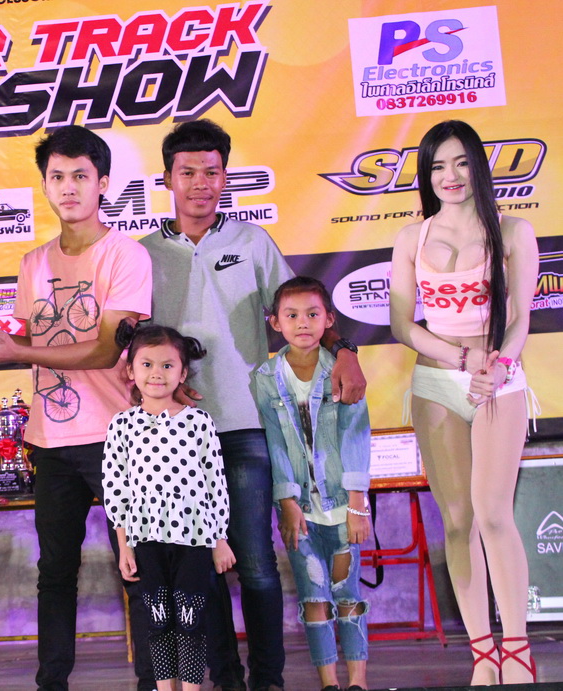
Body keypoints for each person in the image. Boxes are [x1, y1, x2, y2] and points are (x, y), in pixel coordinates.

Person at [140, 119, 367, 691]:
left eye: (212, 172)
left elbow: (301, 311)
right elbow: (134, 342)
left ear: (225, 177)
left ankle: (268, 680)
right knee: (199, 566)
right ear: (166, 179)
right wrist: (162, 386)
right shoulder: (143, 254)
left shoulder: (251, 242)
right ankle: (227, 679)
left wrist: (345, 351)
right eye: (187, 172)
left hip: (247, 425)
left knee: (257, 563)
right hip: (177, 434)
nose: (200, 183)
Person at [0, 125, 156, 691]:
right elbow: (25, 338)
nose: (69, 188)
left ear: (103, 183)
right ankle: (52, 683)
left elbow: (106, 349)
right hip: (49, 437)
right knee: (55, 574)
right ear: (44, 185)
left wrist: (17, 350)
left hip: (118, 436)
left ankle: (154, 681)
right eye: (57, 177)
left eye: (81, 176)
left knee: (139, 567)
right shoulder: (32, 262)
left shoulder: (126, 255)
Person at [389, 120, 538, 686]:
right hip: (438, 383)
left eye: (459, 162)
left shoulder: (514, 231)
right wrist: (460, 359)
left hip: (499, 380)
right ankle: (483, 655)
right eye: (436, 166)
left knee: (494, 513)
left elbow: (521, 318)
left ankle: (517, 650)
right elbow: (403, 324)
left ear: (478, 165)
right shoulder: (412, 237)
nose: (449, 176)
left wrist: (495, 367)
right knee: (458, 522)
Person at [251, 277, 372, 691]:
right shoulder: (266, 376)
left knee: (347, 593)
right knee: (314, 598)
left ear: (329, 319)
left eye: (312, 314)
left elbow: (355, 435)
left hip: (342, 505)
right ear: (275, 323)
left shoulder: (340, 369)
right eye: (291, 315)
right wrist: (286, 501)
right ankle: (329, 683)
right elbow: (274, 441)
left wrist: (357, 504)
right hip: (300, 508)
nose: (302, 322)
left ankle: (358, 682)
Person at [104, 322, 235, 691]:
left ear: (183, 372)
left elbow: (215, 483)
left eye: (167, 365)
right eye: (146, 365)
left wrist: (219, 539)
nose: (156, 374)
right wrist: (124, 546)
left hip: (194, 538)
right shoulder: (121, 425)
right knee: (158, 620)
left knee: (191, 619)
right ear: (130, 371)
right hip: (145, 539)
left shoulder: (199, 422)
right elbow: (116, 488)